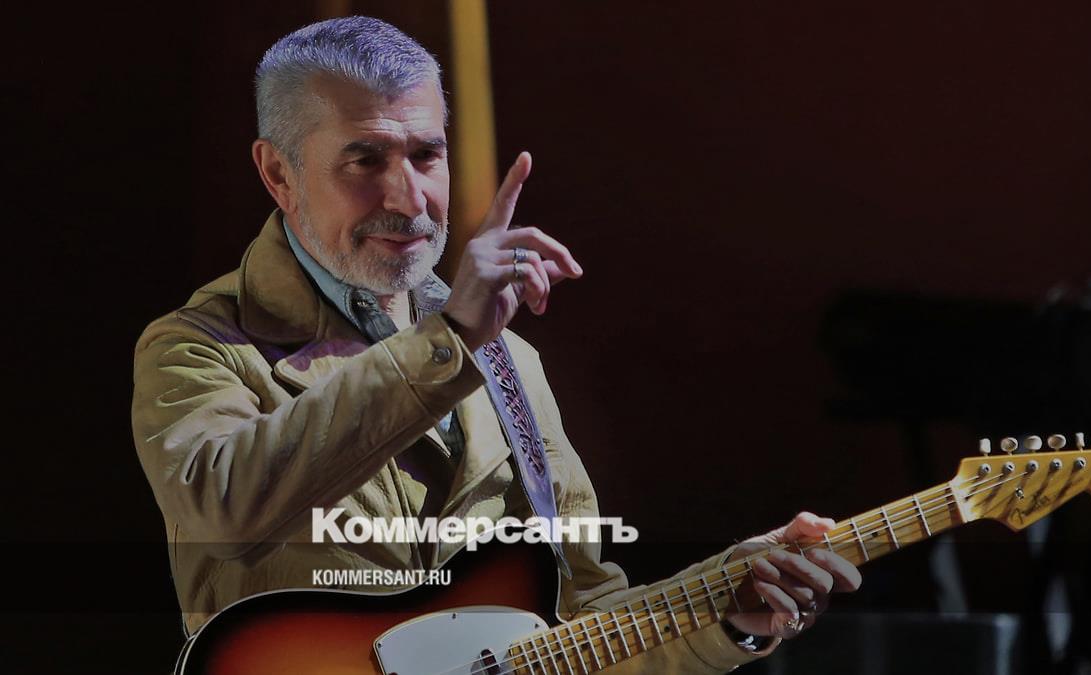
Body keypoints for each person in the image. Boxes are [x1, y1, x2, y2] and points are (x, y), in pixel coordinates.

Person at [131, 16, 861, 673]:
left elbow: (580, 622)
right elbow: (222, 510)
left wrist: (727, 614)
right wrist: (447, 340)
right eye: (365, 160)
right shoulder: (199, 347)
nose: (409, 199)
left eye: (426, 154)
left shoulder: (510, 363)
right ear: (278, 174)